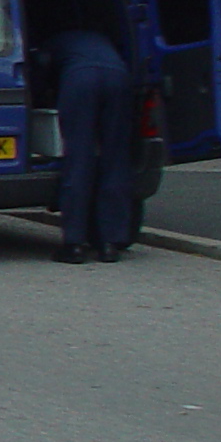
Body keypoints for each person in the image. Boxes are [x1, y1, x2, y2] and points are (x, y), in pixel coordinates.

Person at [45, 27, 134, 264]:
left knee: (79, 159)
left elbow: (41, 72)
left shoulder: (53, 40)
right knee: (115, 159)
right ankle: (109, 244)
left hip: (80, 80)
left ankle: (74, 244)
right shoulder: (101, 37)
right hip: (119, 77)